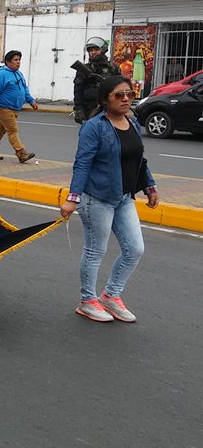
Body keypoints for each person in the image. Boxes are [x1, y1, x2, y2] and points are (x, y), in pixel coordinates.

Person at [60, 75, 158, 323]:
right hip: (97, 198)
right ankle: (87, 300)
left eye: (129, 94)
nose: (125, 99)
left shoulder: (132, 123)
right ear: (105, 100)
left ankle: (110, 296)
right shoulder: (94, 127)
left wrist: (150, 186)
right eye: (118, 95)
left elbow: (138, 159)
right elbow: (82, 164)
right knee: (95, 251)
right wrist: (73, 198)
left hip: (124, 198)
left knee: (135, 249)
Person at [0, 50, 39, 163]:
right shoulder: (1, 75)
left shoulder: (19, 74)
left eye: (19, 60)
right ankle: (21, 153)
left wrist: (31, 101)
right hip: (4, 107)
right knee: (12, 130)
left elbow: (24, 89)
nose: (18, 62)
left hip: (15, 108)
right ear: (8, 62)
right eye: (15, 60)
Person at [73, 37, 121, 124]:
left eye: (96, 49)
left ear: (103, 50)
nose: (93, 52)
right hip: (90, 109)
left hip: (109, 108)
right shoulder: (84, 69)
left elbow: (120, 87)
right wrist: (78, 109)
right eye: (91, 50)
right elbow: (78, 91)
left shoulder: (113, 68)